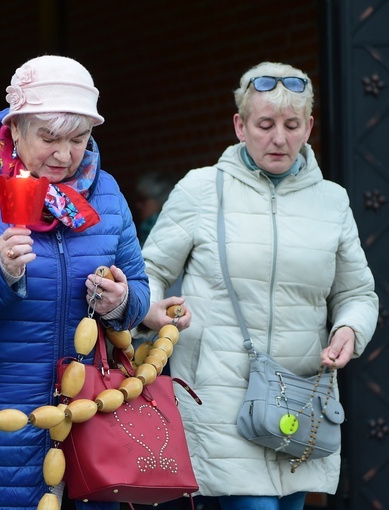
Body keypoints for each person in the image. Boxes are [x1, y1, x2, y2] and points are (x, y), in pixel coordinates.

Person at [0, 55, 150, 510]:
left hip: (83, 426)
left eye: (79, 139)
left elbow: (137, 288)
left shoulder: (108, 193)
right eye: (49, 137)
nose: (64, 155)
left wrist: (122, 300)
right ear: (15, 127)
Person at [138, 62, 379, 510]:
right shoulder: (201, 189)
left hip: (301, 403)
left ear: (309, 127)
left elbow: (357, 294)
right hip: (220, 402)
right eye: (265, 124)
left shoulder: (333, 200)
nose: (279, 138)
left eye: (291, 125)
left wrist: (349, 330)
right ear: (240, 126)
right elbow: (147, 270)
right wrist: (151, 311)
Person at [131, 171, 178, 247]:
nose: (138, 205)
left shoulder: (168, 231)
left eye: (142, 199)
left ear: (162, 199)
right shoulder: (142, 229)